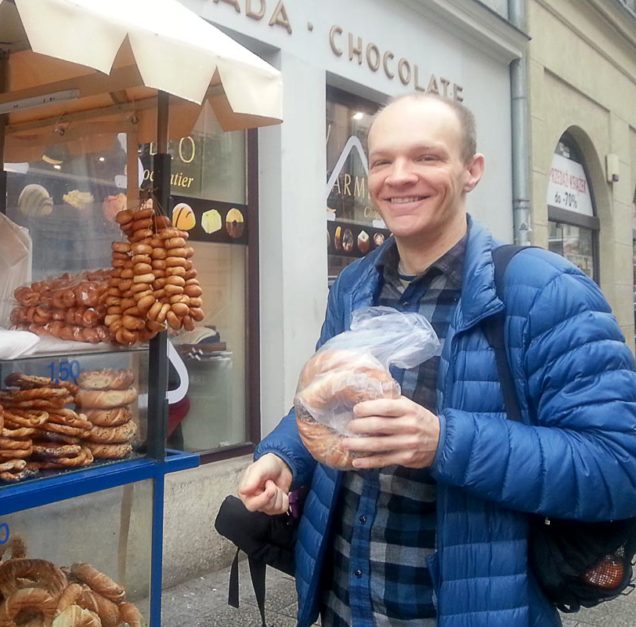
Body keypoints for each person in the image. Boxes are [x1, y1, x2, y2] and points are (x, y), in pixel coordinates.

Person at [238, 93, 636, 626]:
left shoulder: (544, 291)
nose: (398, 176)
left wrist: (441, 441)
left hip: (465, 609)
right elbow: (321, 403)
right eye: (382, 160)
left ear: (472, 171)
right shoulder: (355, 285)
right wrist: (284, 456)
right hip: (342, 604)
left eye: (426, 157)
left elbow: (617, 466)